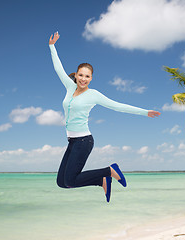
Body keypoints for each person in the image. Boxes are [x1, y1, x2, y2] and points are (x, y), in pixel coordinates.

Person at [49, 31, 161, 202]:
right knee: (61, 183)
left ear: (91, 78)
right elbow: (58, 69)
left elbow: (118, 106)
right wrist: (52, 46)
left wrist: (145, 112)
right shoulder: (70, 88)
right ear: (76, 75)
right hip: (72, 141)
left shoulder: (93, 95)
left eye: (87, 76)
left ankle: (109, 171)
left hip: (83, 141)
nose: (83, 79)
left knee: (70, 180)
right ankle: (101, 180)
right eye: (80, 75)